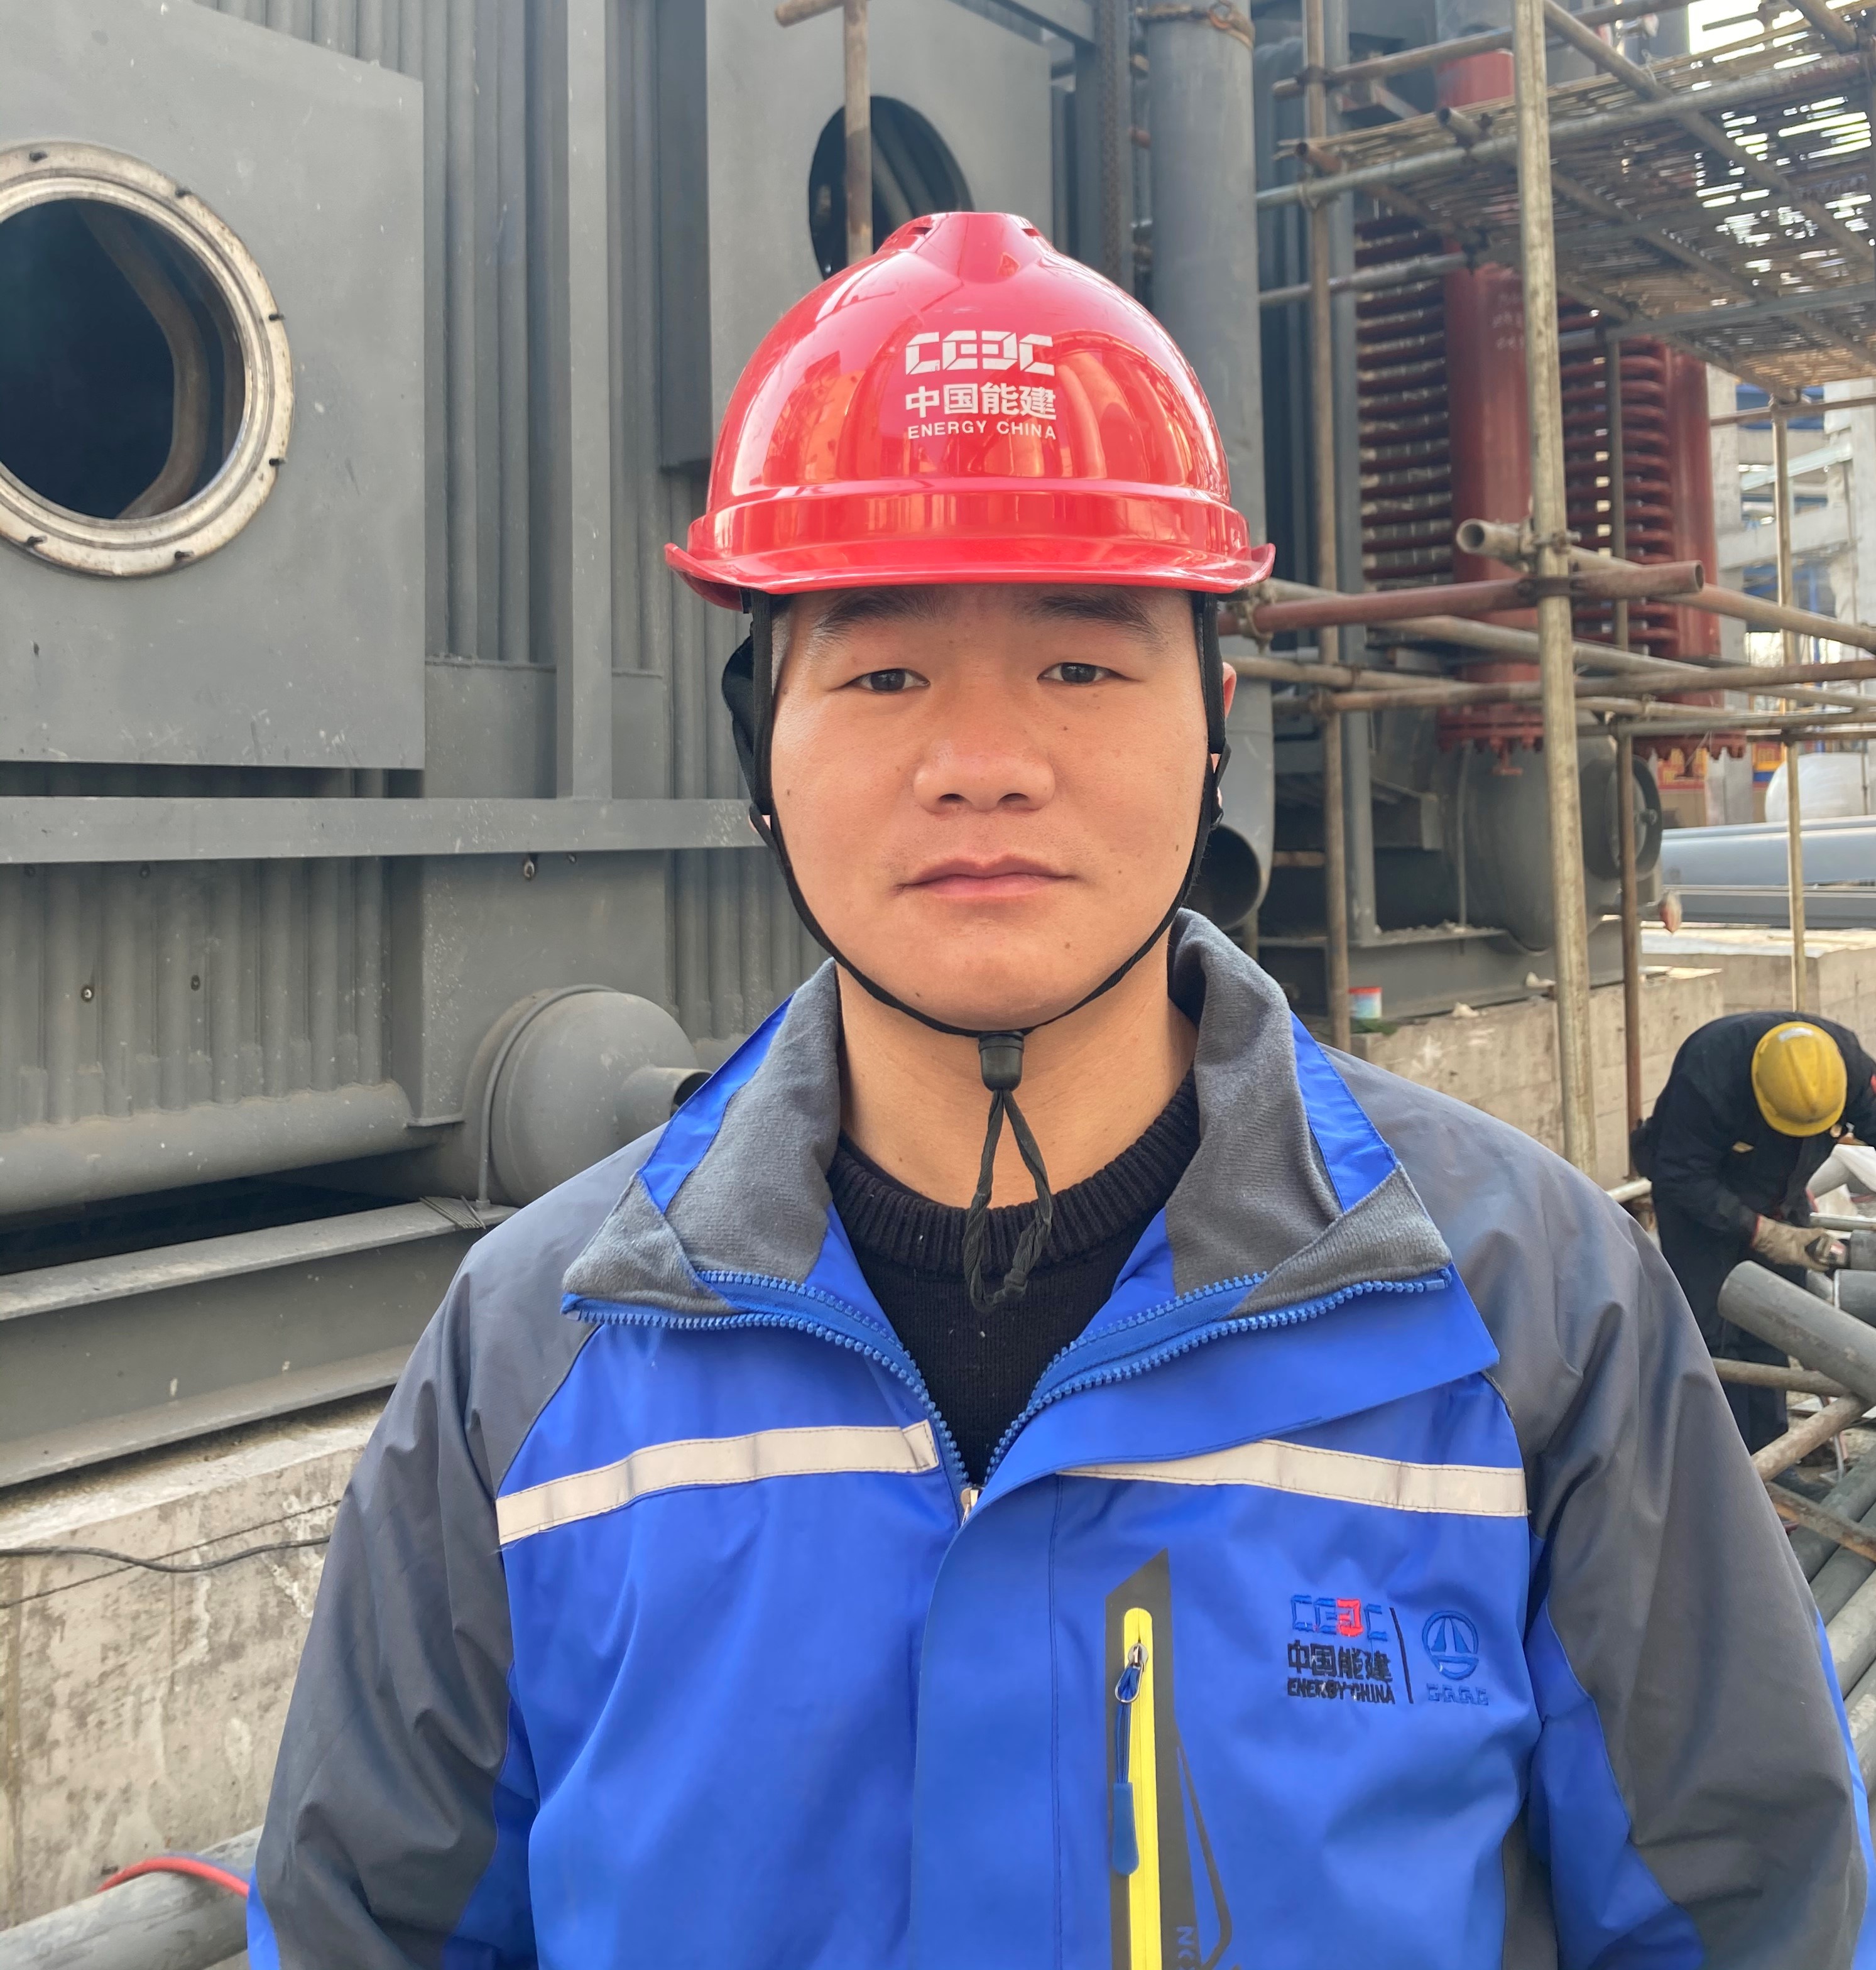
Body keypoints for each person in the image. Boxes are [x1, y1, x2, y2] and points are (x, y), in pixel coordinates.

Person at [249, 212, 1874, 1968]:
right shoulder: (535, 1356)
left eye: (1082, 665)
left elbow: (1755, 1915)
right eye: (881, 672)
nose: (981, 765)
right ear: (756, 742)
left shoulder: (1522, 1312)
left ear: (1214, 719)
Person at [1635, 1009, 1876, 1450]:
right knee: (1711, 1341)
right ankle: (1724, 1463)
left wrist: (1781, 1224)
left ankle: (1770, 1454)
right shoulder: (1710, 1072)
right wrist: (1763, 1233)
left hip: (1780, 1193)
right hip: (1699, 1206)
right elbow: (1681, 1175)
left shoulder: (1846, 1066)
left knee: (1775, 1324)